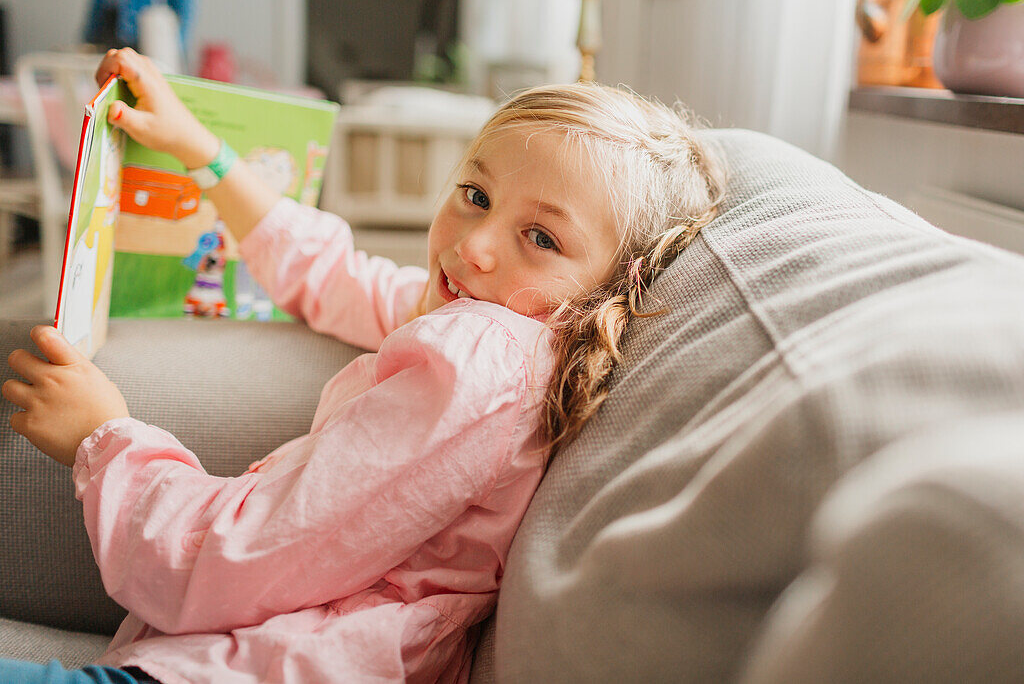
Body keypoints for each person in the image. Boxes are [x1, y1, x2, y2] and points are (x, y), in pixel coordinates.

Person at [1, 48, 726, 684]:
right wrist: (206, 156)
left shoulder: (481, 364)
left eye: (540, 235)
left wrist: (105, 437)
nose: (474, 243)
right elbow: (340, 276)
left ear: (612, 284)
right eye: (476, 195)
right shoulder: (503, 322)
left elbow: (238, 558)